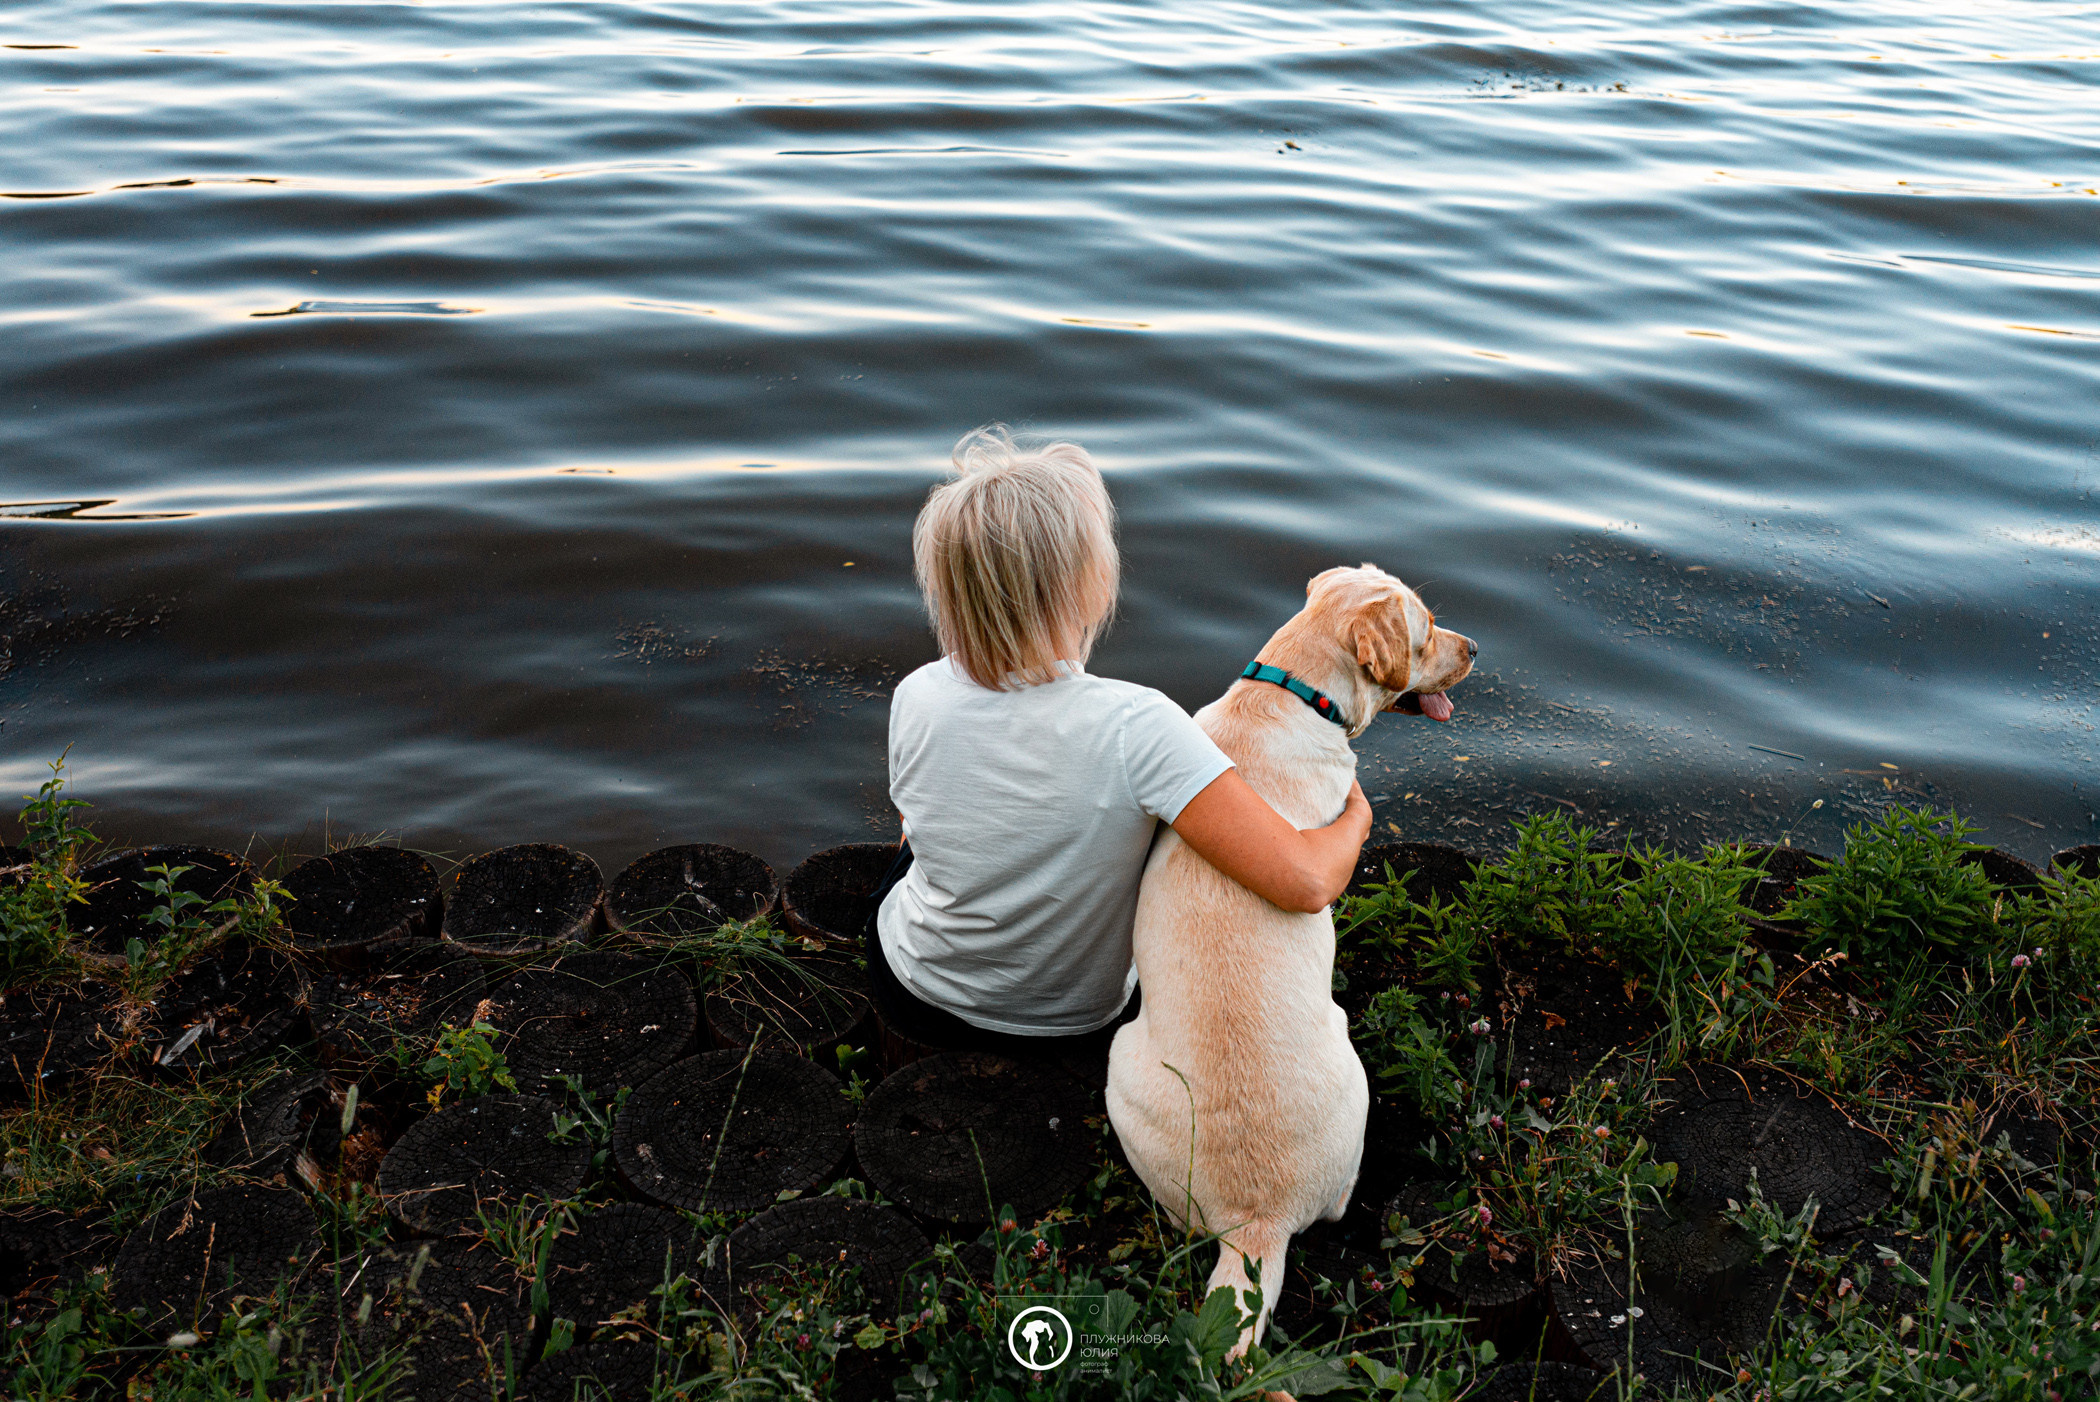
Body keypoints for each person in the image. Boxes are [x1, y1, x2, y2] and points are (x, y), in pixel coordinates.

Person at [866, 425, 1372, 1057]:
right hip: (1069, 1028)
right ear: (1085, 581)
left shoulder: (916, 692)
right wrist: (1355, 817)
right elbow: (1305, 883)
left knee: (916, 845)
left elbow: (921, 828)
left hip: (913, 992)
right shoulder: (1141, 726)